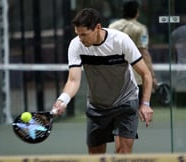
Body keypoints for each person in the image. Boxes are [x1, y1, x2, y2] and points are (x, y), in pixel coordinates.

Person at [51, 8, 153, 154]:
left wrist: (146, 104)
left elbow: (146, 74)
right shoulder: (76, 45)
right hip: (96, 106)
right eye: (78, 34)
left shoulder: (121, 40)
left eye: (84, 34)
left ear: (98, 28)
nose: (81, 39)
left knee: (123, 151)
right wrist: (63, 100)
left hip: (125, 101)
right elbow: (73, 80)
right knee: (95, 155)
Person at [109, 0, 158, 103]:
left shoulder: (112, 27)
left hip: (114, 74)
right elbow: (144, 52)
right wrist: (152, 76)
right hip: (134, 76)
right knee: (132, 109)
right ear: (137, 12)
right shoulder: (140, 29)